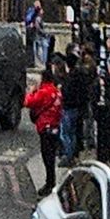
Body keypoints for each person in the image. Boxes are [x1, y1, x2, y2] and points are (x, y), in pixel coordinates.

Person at [24, 62, 64, 197]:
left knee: (47, 157)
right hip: (55, 126)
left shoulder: (44, 92)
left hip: (45, 127)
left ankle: (50, 183)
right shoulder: (56, 92)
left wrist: (31, 92)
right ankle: (51, 181)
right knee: (51, 156)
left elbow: (28, 102)